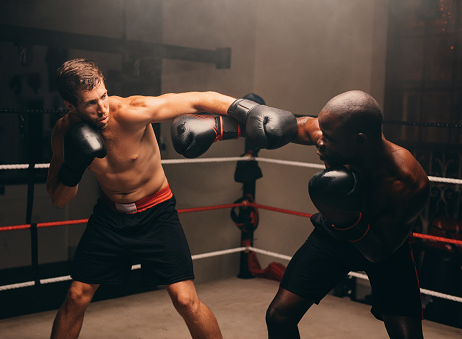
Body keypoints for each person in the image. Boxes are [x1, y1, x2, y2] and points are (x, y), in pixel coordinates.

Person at [46, 57, 296, 339]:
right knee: (76, 295)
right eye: (91, 103)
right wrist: (72, 168)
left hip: (156, 212)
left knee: (185, 300)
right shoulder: (63, 133)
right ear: (70, 106)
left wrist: (251, 110)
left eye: (103, 95)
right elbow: (58, 198)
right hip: (110, 217)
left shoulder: (130, 111)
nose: (102, 107)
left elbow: (199, 100)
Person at [264, 90, 430, 338]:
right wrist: (232, 127)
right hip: (332, 237)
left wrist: (347, 221)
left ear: (360, 140)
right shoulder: (333, 134)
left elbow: (379, 252)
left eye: (329, 138)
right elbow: (296, 125)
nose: (320, 142)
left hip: (385, 245)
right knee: (278, 316)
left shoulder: (407, 181)